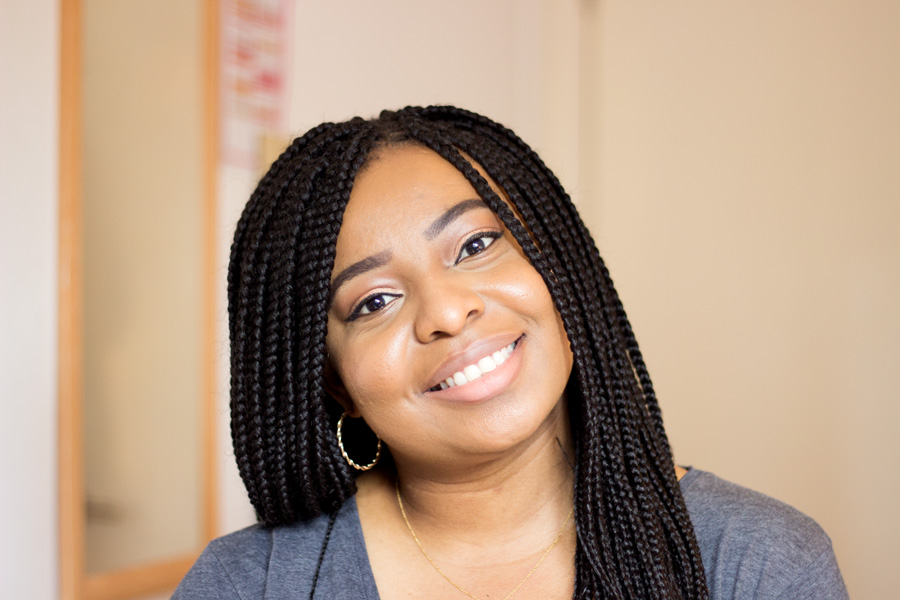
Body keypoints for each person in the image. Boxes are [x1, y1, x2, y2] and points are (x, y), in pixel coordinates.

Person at [174, 106, 848, 599]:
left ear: (559, 267)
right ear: (336, 383)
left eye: (474, 245)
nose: (446, 313)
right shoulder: (247, 585)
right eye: (374, 301)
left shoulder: (759, 562)